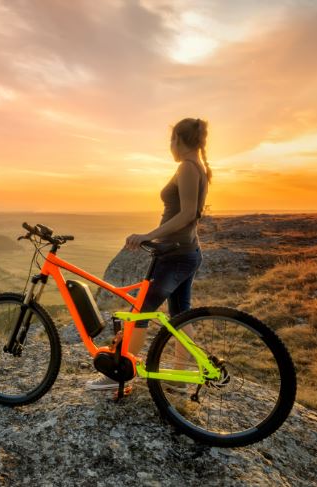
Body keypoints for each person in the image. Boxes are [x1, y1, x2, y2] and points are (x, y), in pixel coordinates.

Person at [86, 117, 211, 391]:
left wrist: (149, 235)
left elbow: (189, 213)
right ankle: (180, 378)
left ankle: (118, 374)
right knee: (180, 315)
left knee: (141, 312)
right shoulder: (195, 167)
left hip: (176, 255)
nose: (170, 146)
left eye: (171, 140)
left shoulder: (188, 167)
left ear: (178, 139)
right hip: (185, 252)